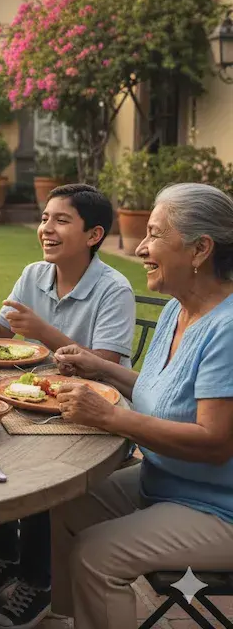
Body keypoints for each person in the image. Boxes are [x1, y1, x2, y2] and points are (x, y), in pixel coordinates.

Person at [49, 183, 233, 629]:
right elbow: (162, 391)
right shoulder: (178, 308)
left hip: (219, 508)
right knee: (60, 498)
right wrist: (99, 366)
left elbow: (215, 442)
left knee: (97, 553)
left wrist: (111, 416)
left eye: (154, 235)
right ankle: (77, 618)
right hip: (162, 482)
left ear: (200, 249)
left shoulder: (227, 330)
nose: (143, 248)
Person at [0, 183, 135, 629]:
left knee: (41, 472)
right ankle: (6, 556)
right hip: (29, 398)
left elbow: (105, 368)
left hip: (92, 412)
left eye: (60, 220)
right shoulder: (35, 274)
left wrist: (44, 330)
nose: (46, 229)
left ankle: (39, 581)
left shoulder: (114, 289)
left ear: (93, 235)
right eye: (43, 218)